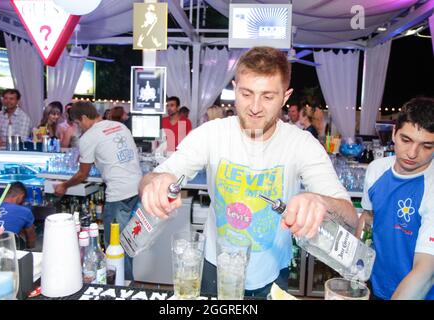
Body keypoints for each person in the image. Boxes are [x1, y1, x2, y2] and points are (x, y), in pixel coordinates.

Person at [139, 47, 357, 297]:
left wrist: (320, 201)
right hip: (215, 267)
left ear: (285, 97)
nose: (255, 107)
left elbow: (350, 216)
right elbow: (152, 178)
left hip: (273, 273)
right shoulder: (212, 134)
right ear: (235, 88)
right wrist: (155, 184)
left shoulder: (302, 144)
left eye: (268, 96)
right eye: (246, 93)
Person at [54, 101, 143, 281]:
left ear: (85, 118)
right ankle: (127, 283)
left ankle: (122, 288)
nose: (78, 128)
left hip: (119, 195)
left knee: (116, 247)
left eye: (78, 124)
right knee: (128, 243)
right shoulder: (118, 126)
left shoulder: (88, 137)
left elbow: (82, 174)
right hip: (137, 189)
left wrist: (64, 185)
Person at [356, 97, 434, 300]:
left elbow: (426, 271)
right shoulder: (376, 170)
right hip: (376, 286)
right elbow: (368, 218)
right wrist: (355, 264)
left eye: (426, 146)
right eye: (406, 140)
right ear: (393, 133)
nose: (412, 153)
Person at [0, 182, 36, 248]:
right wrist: (30, 250)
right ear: (21, 196)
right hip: (6, 250)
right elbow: (31, 239)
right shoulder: (25, 211)